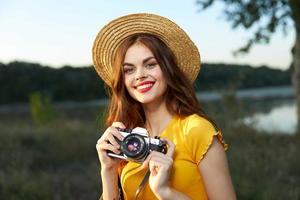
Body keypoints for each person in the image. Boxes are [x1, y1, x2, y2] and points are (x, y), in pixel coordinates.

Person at [94, 13, 236, 200]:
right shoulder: (128, 140)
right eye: (129, 69)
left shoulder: (196, 130)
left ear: (168, 68)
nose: (140, 75)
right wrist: (108, 170)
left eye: (150, 64)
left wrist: (165, 192)